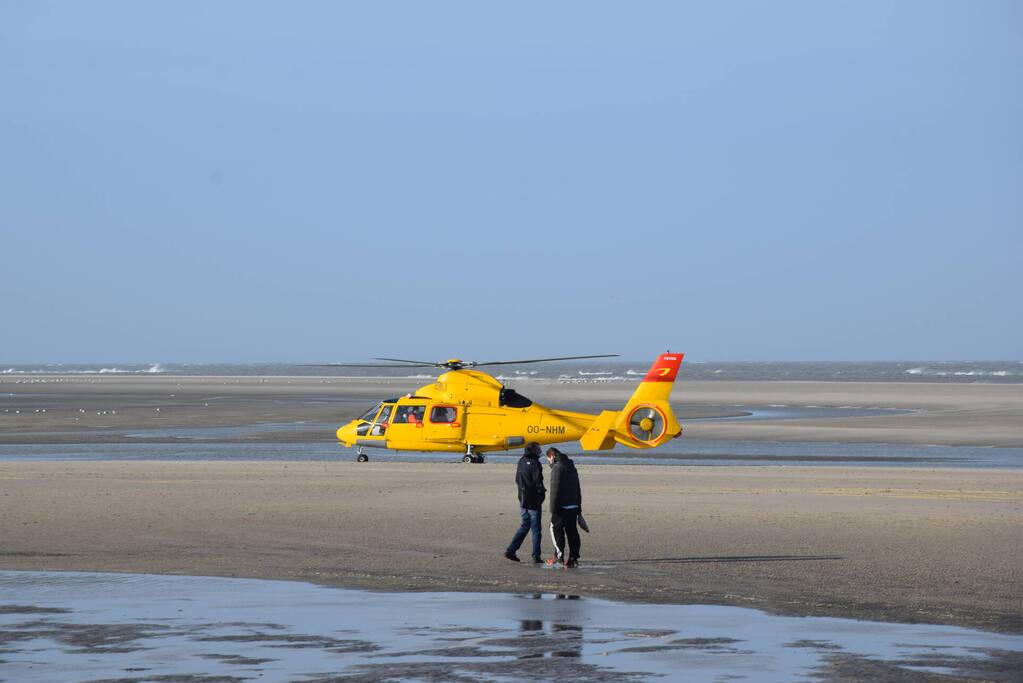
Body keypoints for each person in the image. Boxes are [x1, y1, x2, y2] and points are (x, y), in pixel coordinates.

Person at [504, 442, 546, 564]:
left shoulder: (521, 460)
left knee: (525, 526)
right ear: (533, 450)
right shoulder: (535, 463)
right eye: (538, 448)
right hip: (532, 500)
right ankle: (536, 556)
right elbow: (538, 481)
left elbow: (517, 479)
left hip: (523, 499)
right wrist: (541, 494)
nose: (539, 450)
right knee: (536, 529)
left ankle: (511, 550)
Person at [545, 446, 582, 568]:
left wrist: (553, 509)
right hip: (573, 505)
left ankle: (559, 557)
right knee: (572, 531)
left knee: (554, 528)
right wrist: (579, 507)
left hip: (561, 506)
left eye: (548, 459)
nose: (548, 461)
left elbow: (555, 489)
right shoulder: (571, 466)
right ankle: (573, 558)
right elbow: (578, 488)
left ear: (552, 456)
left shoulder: (557, 467)